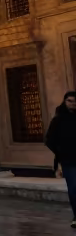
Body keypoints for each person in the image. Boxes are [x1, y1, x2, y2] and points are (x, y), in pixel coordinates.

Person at [44, 91, 76, 228]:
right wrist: (60, 152)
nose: (73, 104)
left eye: (75, 101)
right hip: (68, 160)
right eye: (70, 101)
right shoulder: (58, 120)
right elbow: (49, 140)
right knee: (74, 188)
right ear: (65, 101)